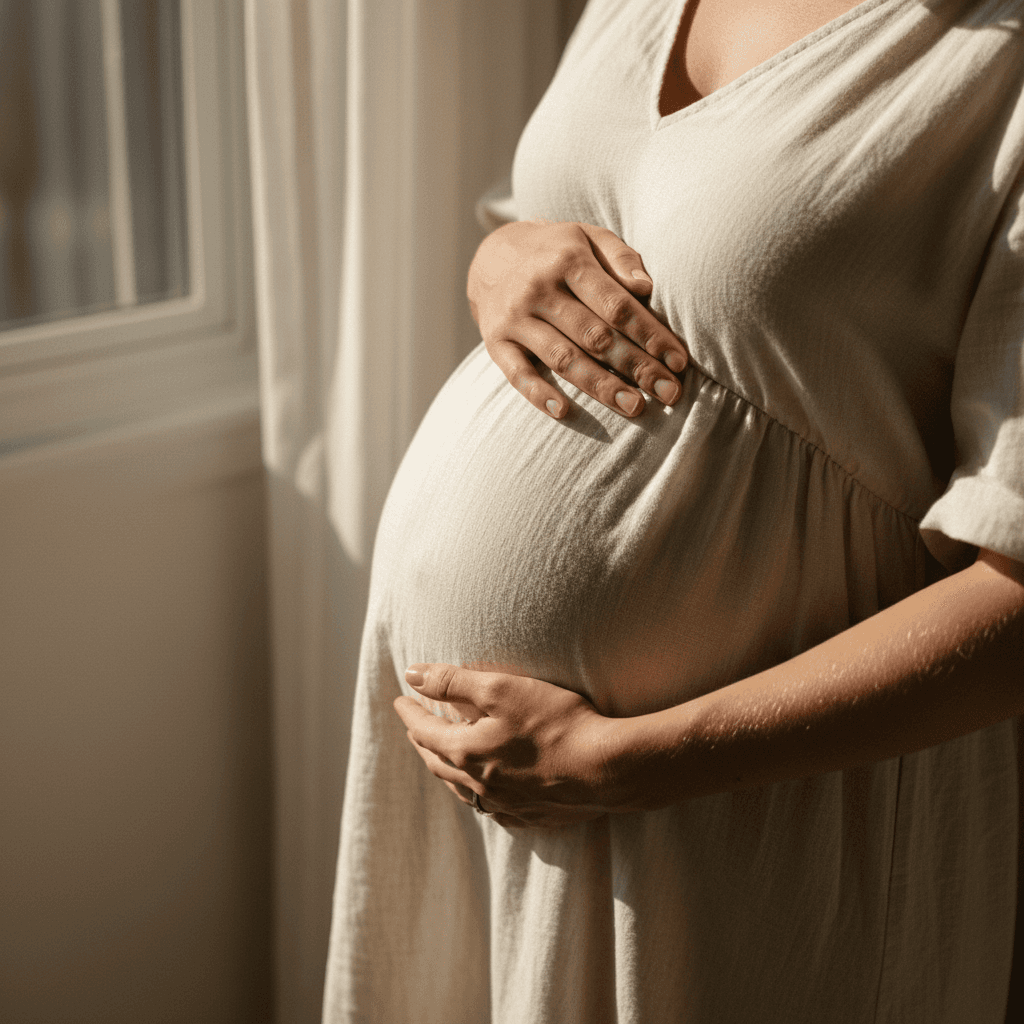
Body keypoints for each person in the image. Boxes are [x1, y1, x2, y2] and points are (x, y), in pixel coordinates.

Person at [322, 0, 1024, 1021]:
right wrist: (495, 263)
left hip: (750, 800)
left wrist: (634, 760)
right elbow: (547, 217)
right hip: (491, 786)